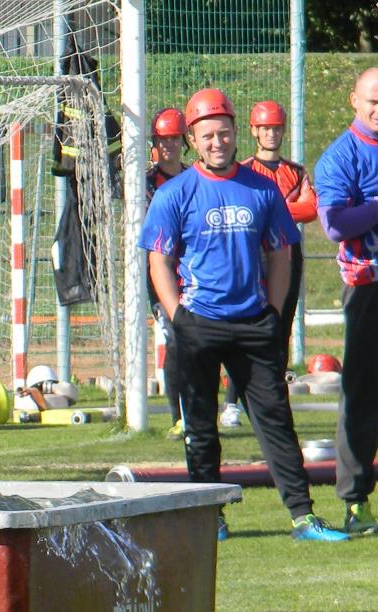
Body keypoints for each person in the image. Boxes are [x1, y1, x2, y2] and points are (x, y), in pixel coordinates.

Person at [141, 88, 346, 543]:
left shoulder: (263, 189)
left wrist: (273, 312)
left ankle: (303, 516)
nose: (218, 142)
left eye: (225, 132)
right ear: (194, 141)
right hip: (199, 322)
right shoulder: (175, 193)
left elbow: (281, 252)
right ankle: (209, 516)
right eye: (208, 135)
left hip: (253, 322)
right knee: (200, 424)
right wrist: (179, 316)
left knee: (275, 420)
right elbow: (159, 259)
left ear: (237, 134)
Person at [228, 99, 319, 424]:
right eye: (265, 128)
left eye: (276, 128)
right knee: (246, 329)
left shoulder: (294, 171)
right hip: (253, 260)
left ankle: (273, 401)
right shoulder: (245, 170)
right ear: (254, 130)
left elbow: (311, 209)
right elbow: (249, 208)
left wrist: (272, 207)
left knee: (280, 331)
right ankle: (232, 404)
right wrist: (283, 205)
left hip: (289, 259)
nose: (271, 133)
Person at [315, 67, 378, 536]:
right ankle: (356, 501)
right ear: (353, 101)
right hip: (367, 287)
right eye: (372, 100)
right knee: (360, 393)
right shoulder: (341, 156)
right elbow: (336, 225)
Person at [146, 107, 190, 435]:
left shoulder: (194, 178)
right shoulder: (145, 184)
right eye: (163, 139)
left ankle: (200, 408)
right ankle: (177, 415)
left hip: (193, 275)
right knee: (175, 340)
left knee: (197, 342)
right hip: (161, 278)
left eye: (174, 138)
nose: (169, 145)